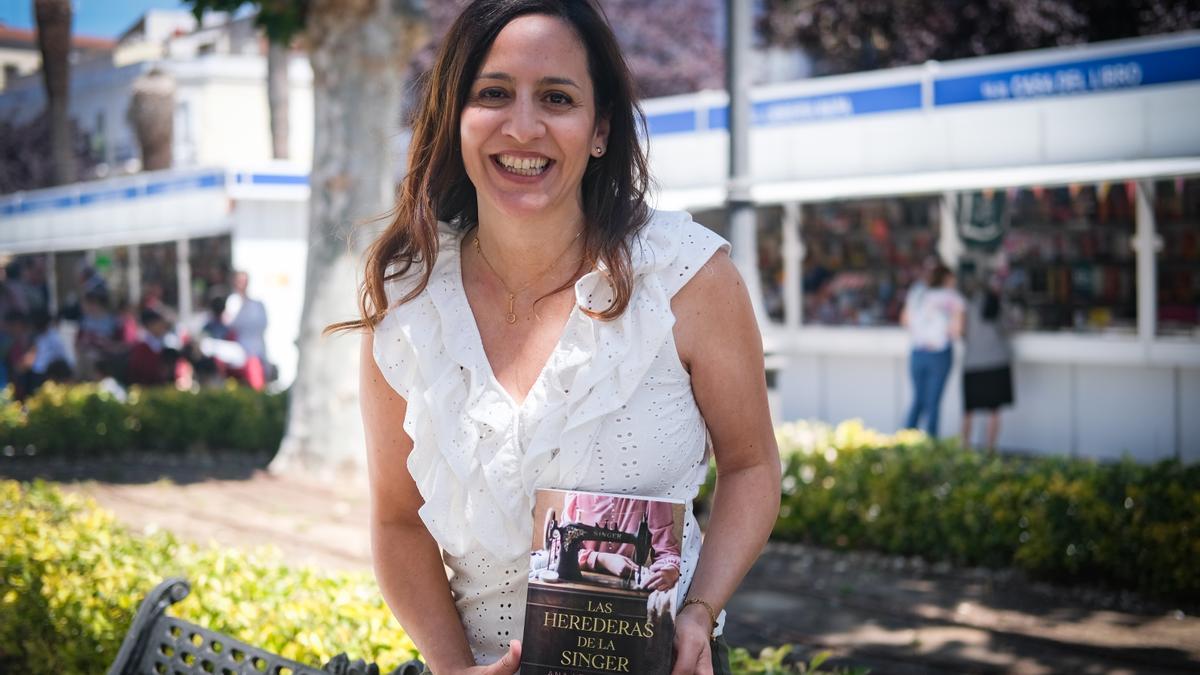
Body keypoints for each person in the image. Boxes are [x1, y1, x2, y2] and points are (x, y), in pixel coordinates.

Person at [345, 3, 781, 674]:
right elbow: (398, 522)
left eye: (557, 97)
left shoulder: (688, 277)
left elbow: (751, 466)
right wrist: (453, 668)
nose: (524, 126)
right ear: (456, 120)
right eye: (493, 94)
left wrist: (700, 609)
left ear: (600, 128)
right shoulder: (409, 306)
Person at [901, 263, 965, 437]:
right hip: (939, 353)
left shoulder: (917, 293)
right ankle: (930, 448)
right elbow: (957, 330)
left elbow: (905, 320)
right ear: (947, 279)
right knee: (933, 404)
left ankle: (903, 444)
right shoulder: (953, 298)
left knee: (918, 401)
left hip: (918, 351)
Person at [961, 275, 1015, 452]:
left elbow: (961, 331)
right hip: (997, 361)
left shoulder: (967, 305)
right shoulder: (1001, 304)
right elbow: (1009, 328)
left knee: (969, 410)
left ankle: (965, 450)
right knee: (994, 410)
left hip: (973, 362)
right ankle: (990, 451)